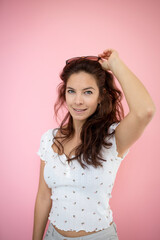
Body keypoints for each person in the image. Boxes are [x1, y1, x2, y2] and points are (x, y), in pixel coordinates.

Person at [32, 49, 156, 240]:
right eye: (71, 91)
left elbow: (145, 110)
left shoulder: (113, 137)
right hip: (52, 235)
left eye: (88, 92)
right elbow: (43, 196)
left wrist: (115, 64)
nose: (78, 101)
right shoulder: (50, 138)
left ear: (100, 96)